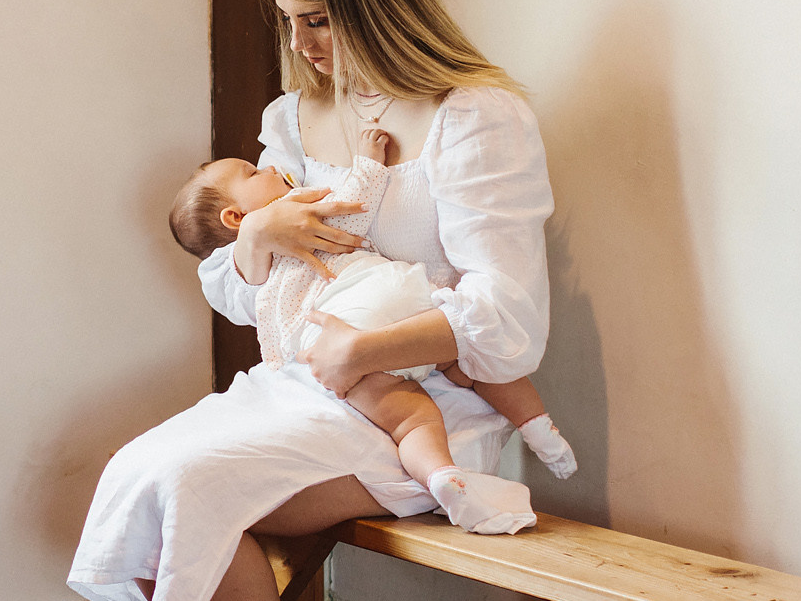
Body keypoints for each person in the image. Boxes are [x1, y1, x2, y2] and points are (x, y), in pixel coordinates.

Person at [68, 0, 558, 601]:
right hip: (299, 384)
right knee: (138, 473)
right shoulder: (295, 119)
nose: (302, 45)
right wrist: (259, 233)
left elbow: (510, 322)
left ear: (378, 0)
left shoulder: (475, 117)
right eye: (289, 21)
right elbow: (237, 291)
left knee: (196, 482)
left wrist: (363, 348)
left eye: (320, 19)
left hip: (417, 406)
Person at [172, 143, 576, 533]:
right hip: (392, 298)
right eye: (253, 172)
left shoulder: (256, 265)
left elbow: (259, 308)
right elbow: (350, 208)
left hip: (340, 332)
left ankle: (441, 473)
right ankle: (539, 428)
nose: (270, 168)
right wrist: (367, 164)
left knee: (410, 420)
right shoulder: (294, 212)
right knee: (472, 365)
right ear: (235, 217)